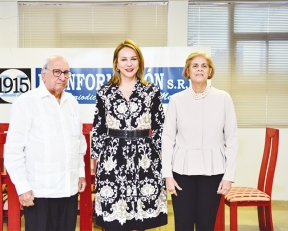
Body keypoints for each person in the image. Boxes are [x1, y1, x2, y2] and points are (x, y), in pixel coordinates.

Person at [91, 39, 168, 231]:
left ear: (139, 62)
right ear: (116, 63)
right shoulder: (104, 92)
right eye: (123, 59)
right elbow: (98, 127)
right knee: (114, 219)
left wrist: (161, 159)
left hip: (144, 158)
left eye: (133, 59)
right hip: (112, 158)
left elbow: (160, 127)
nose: (129, 64)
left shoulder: (151, 91)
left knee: (138, 219)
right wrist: (96, 160)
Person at [4, 55, 87, 231]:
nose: (62, 77)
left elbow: (78, 142)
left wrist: (80, 172)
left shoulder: (72, 102)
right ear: (43, 74)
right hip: (39, 193)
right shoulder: (26, 103)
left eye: (66, 73)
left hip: (69, 190)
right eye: (57, 72)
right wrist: (22, 187)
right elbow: (13, 151)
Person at [162, 51, 238, 231]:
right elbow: (167, 138)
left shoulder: (223, 98)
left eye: (204, 66)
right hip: (181, 171)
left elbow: (232, 138)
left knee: (206, 225)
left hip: (214, 172)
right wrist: (167, 174)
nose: (199, 69)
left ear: (210, 71)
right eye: (195, 66)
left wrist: (229, 176)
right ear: (187, 71)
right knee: (183, 225)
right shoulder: (176, 100)